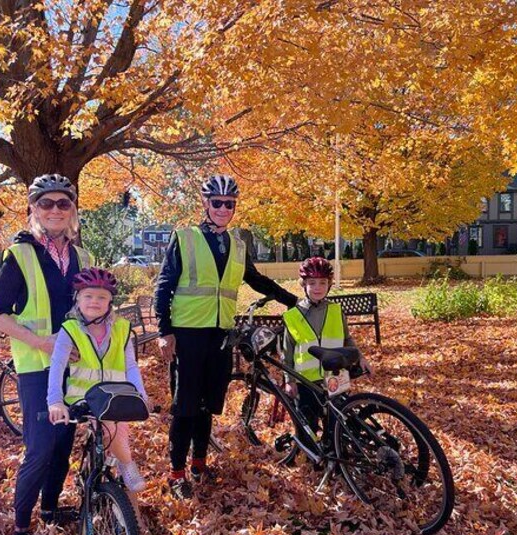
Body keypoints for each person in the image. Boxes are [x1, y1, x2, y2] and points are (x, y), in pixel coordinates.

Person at [154, 174, 299, 499]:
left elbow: (256, 279)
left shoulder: (237, 244)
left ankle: (199, 463)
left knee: (207, 404)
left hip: (220, 334)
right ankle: (177, 473)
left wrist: (293, 301)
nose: (223, 208)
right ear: (205, 204)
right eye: (216, 203)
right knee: (185, 406)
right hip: (188, 334)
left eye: (228, 204)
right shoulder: (185, 238)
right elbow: (164, 285)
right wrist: (165, 330)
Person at [0, 174, 93, 535]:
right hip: (36, 367)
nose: (55, 210)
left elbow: (92, 309)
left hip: (73, 367)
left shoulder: (82, 256)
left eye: (63, 203)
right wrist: (42, 343)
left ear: (73, 210)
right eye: (46, 203)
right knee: (40, 448)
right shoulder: (21, 254)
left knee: (63, 444)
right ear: (34, 209)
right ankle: (20, 529)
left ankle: (48, 511)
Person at [46, 267, 148, 494]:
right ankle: (127, 465)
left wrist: (140, 393)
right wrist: (55, 401)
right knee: (110, 427)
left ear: (110, 301)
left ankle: (127, 510)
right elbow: (57, 365)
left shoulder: (121, 328)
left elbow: (130, 365)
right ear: (78, 299)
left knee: (119, 432)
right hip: (84, 398)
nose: (95, 301)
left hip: (117, 394)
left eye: (102, 297)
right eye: (88, 296)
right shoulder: (70, 329)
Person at [282, 257, 371, 448]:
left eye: (323, 283)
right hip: (306, 380)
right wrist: (289, 381)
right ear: (303, 285)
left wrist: (360, 357)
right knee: (308, 422)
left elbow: (347, 339)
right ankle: (312, 458)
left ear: (329, 285)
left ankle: (336, 457)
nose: (317, 287)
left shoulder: (335, 311)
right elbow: (287, 352)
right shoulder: (293, 316)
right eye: (312, 283)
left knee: (337, 421)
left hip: (336, 374)